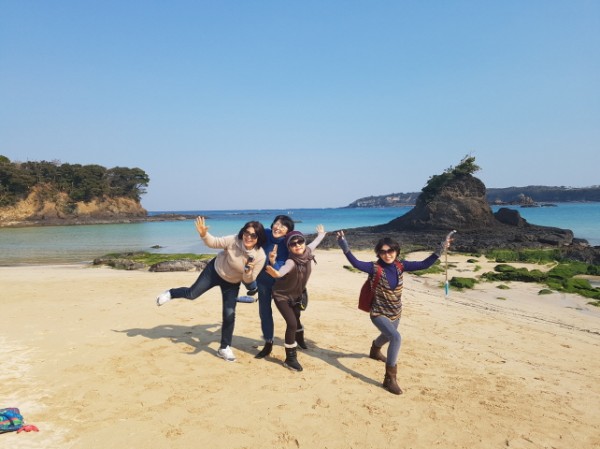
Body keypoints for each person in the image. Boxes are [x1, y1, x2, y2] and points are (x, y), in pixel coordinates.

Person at [336, 230, 452, 395]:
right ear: (378, 253)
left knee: (387, 336)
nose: (387, 255)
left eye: (390, 251)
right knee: (395, 337)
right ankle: (389, 379)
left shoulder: (400, 266)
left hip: (396, 311)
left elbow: (424, 264)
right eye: (382, 252)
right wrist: (344, 244)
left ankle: (375, 350)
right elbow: (355, 263)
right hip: (378, 312)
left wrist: (441, 248)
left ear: (396, 251)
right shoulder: (374, 268)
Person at [155, 217, 267, 362]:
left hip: (232, 283)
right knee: (192, 294)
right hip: (214, 271)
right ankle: (171, 293)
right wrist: (203, 234)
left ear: (259, 238)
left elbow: (248, 280)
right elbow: (213, 242)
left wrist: (247, 271)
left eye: (253, 235)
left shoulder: (260, 256)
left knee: (229, 314)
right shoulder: (234, 240)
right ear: (243, 232)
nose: (249, 237)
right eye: (247, 233)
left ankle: (224, 348)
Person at [265, 225, 326, 372]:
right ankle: (290, 359)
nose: (297, 245)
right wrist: (275, 270)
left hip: (297, 294)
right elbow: (282, 271)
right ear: (289, 247)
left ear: (304, 242)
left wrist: (321, 234)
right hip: (282, 295)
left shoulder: (308, 251)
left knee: (297, 318)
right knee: (292, 323)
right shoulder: (291, 262)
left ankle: (300, 340)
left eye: (300, 241)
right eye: (293, 244)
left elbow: (316, 241)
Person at [254, 215, 296, 359]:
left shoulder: (288, 244)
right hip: (263, 282)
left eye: (283, 226)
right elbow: (247, 233)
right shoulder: (265, 233)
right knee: (264, 312)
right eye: (277, 224)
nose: (278, 227)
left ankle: (298, 334)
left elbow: (282, 270)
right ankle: (268, 343)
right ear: (272, 224)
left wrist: (273, 261)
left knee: (292, 315)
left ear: (288, 231)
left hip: (281, 284)